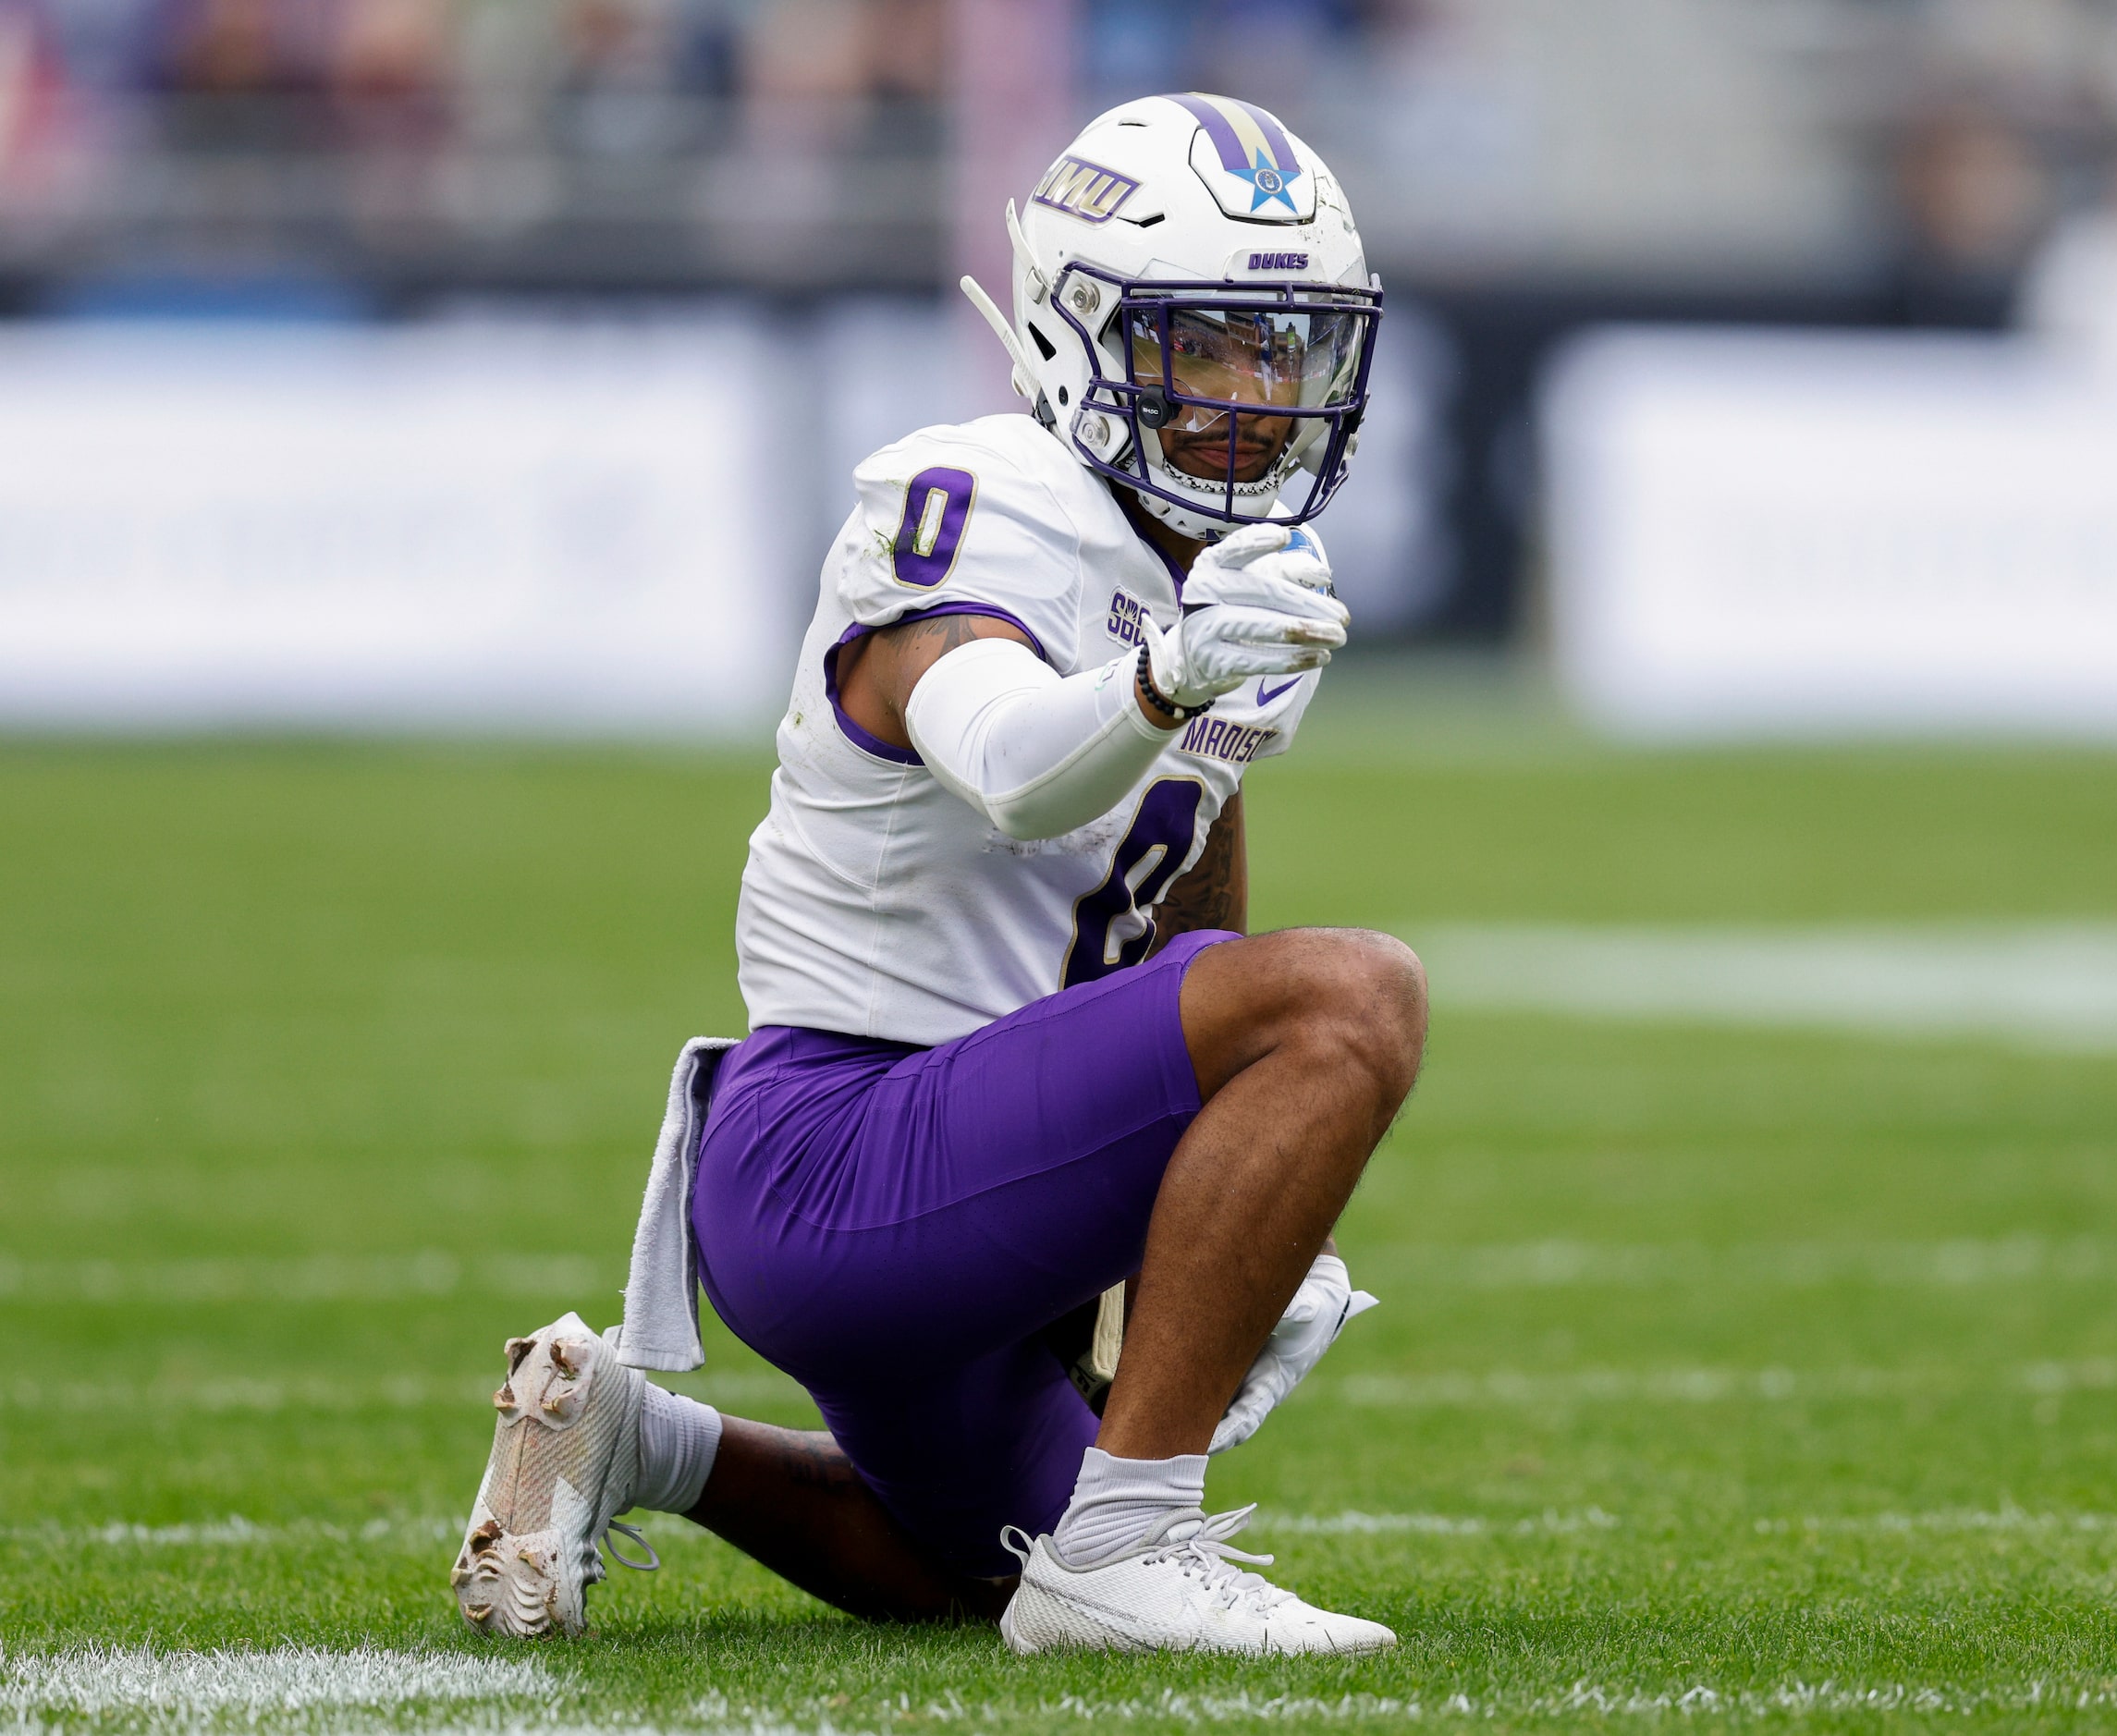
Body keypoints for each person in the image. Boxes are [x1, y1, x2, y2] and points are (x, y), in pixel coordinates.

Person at [447, 92, 1423, 1657]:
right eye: (1213, 342)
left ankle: (631, 1437)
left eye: (1286, 345)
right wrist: (1167, 680)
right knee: (1356, 998)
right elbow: (1022, 768)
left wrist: (1189, 1185)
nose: (1258, 391)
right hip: (837, 1149)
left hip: (983, 1179)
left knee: (990, 1566)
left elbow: (1181, 898)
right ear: (1080, 334)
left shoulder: (1222, 583)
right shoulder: (983, 500)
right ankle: (1134, 1546)